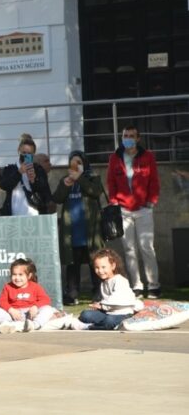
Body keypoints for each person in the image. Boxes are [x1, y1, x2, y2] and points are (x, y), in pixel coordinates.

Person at [106, 125, 161, 298]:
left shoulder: (148, 156)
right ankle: (136, 286)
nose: (127, 138)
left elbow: (154, 181)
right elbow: (110, 181)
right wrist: (114, 202)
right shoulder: (115, 157)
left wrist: (151, 201)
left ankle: (153, 285)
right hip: (123, 210)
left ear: (138, 138)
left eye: (131, 135)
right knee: (129, 249)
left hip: (144, 208)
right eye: (125, 135)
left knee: (147, 247)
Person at [51, 150, 104, 305]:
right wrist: (66, 185)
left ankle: (98, 292)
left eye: (79, 162)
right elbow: (57, 198)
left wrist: (80, 178)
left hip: (90, 231)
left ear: (84, 163)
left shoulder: (93, 177)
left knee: (95, 262)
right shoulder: (65, 180)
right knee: (72, 265)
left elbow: (95, 192)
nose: (76, 166)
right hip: (72, 231)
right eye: (73, 163)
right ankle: (72, 294)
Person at [77, 248, 143, 330]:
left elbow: (117, 298)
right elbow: (105, 302)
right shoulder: (103, 283)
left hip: (123, 313)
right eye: (97, 268)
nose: (100, 271)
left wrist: (102, 305)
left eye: (103, 267)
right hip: (108, 313)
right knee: (85, 315)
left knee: (109, 321)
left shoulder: (120, 280)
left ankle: (90, 327)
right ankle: (102, 325)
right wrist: (98, 305)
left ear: (113, 266)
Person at [0, 258, 56, 333]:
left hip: (31, 315)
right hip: (14, 315)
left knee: (48, 309)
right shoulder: (8, 287)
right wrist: (11, 310)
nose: (17, 278)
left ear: (29, 276)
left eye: (21, 275)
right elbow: (2, 301)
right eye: (14, 274)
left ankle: (35, 325)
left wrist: (35, 307)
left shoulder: (35, 286)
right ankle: (7, 325)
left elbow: (46, 299)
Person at [0, 133, 52, 216]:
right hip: (14, 215)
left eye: (29, 153)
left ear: (34, 154)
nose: (26, 156)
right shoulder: (9, 169)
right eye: (24, 153)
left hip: (34, 214)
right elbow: (3, 185)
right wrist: (19, 172)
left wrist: (34, 181)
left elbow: (46, 194)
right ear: (19, 151)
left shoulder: (38, 170)